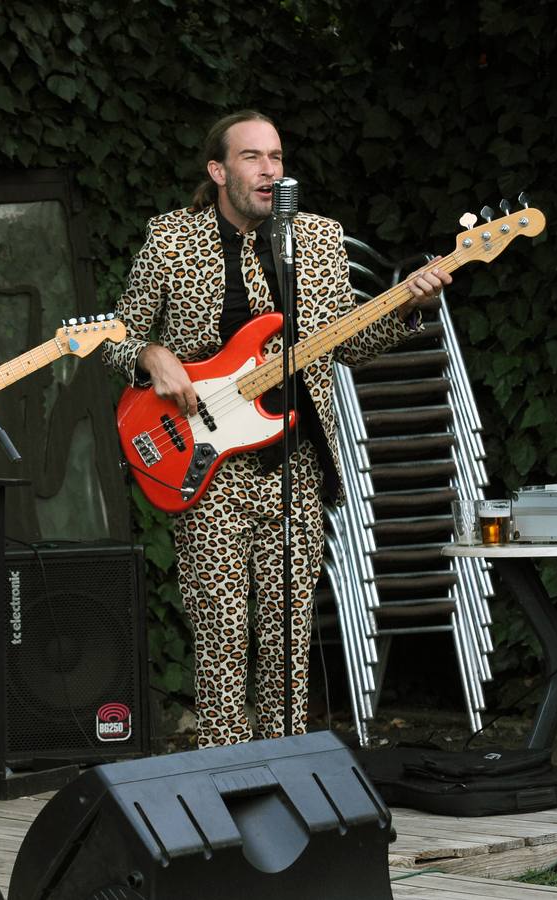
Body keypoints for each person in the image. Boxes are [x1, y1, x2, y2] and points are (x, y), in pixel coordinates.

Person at [104, 110, 450, 747]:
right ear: (218, 172)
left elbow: (349, 343)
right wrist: (151, 357)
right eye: (253, 157)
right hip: (206, 469)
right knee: (221, 642)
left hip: (294, 467)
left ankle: (286, 776)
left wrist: (408, 305)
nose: (270, 170)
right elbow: (117, 335)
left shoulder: (315, 240)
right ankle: (221, 785)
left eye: (278, 158)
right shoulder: (172, 240)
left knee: (289, 646)